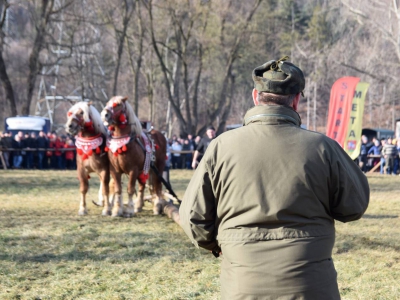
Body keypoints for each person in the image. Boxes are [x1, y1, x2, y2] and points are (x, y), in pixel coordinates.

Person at [179, 57, 370, 299]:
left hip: (243, 285)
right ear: (297, 100)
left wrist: (218, 244)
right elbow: (354, 206)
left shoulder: (220, 147)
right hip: (310, 286)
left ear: (255, 96)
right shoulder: (323, 147)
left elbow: (194, 220)